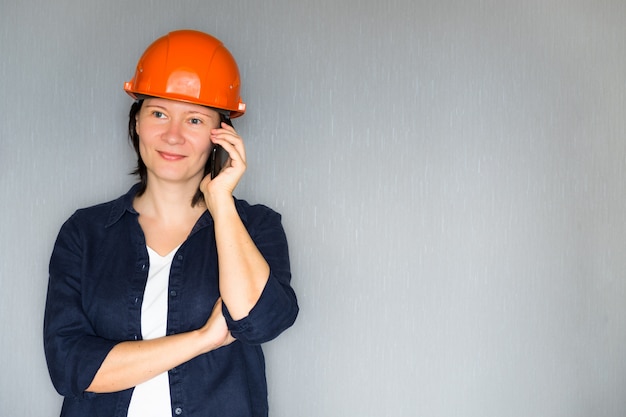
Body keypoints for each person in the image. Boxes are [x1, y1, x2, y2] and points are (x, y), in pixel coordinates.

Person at [43, 29, 298, 417]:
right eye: (159, 113)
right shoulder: (85, 233)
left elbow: (259, 321)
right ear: (137, 124)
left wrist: (221, 202)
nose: (173, 135)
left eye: (194, 120)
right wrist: (203, 339)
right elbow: (71, 367)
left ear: (221, 136)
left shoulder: (256, 226)